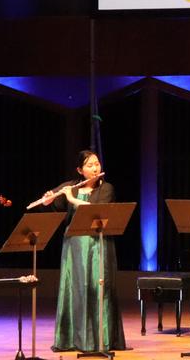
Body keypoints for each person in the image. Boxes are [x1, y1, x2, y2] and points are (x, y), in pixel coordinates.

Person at [40, 149, 126, 353]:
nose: (95, 168)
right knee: (76, 289)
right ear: (80, 170)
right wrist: (47, 200)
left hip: (99, 244)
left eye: (97, 164)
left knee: (98, 288)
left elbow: (95, 210)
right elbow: (52, 204)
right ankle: (73, 338)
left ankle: (101, 340)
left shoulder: (106, 188)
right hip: (75, 246)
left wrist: (72, 199)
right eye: (90, 165)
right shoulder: (71, 186)